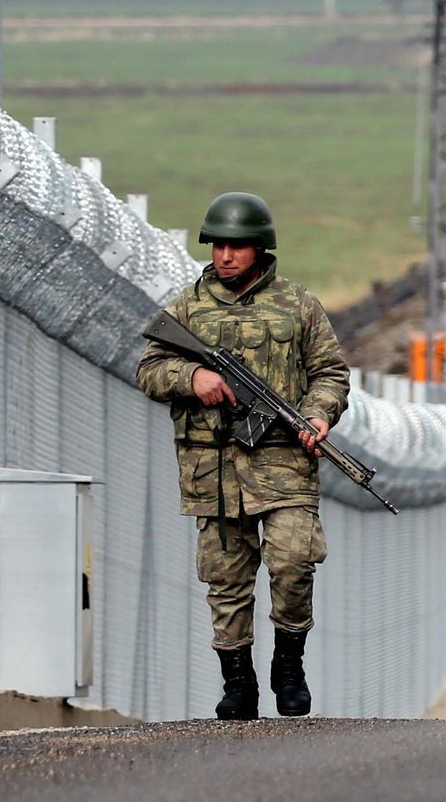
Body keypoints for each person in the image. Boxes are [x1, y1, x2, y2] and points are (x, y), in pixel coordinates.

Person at [136, 192, 350, 720]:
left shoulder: (299, 306)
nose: (226, 256)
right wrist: (193, 377)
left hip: (284, 465)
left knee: (294, 562)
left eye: (238, 246)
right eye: (219, 245)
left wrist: (320, 414)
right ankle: (238, 683)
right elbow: (149, 369)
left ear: (260, 248)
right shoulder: (185, 309)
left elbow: (331, 372)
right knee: (226, 580)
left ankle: (289, 663)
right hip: (214, 470)